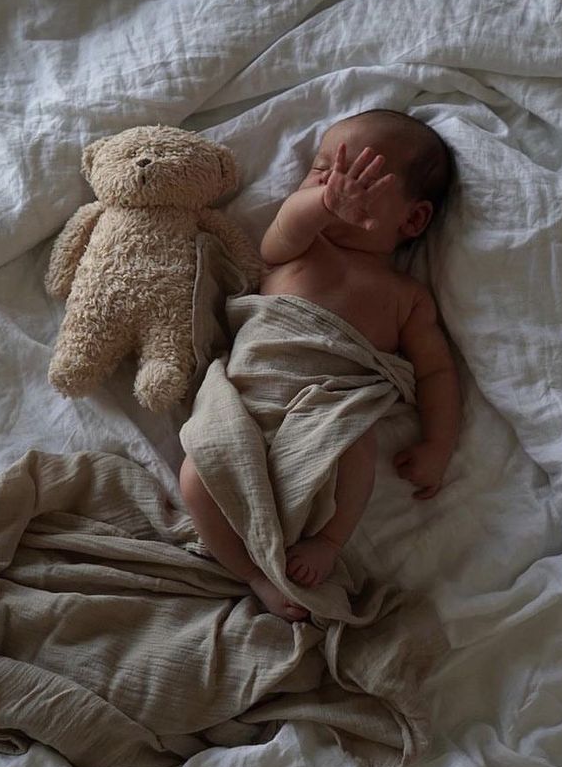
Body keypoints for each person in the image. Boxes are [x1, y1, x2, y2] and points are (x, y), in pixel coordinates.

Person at [180, 109, 461, 620]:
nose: (336, 183)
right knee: (196, 474)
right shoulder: (301, 246)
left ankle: (329, 541)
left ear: (413, 219)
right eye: (323, 170)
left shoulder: (407, 296)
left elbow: (438, 373)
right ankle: (253, 574)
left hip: (327, 411)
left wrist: (438, 445)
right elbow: (284, 226)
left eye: (360, 175)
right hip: (246, 400)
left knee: (357, 441)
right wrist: (324, 206)